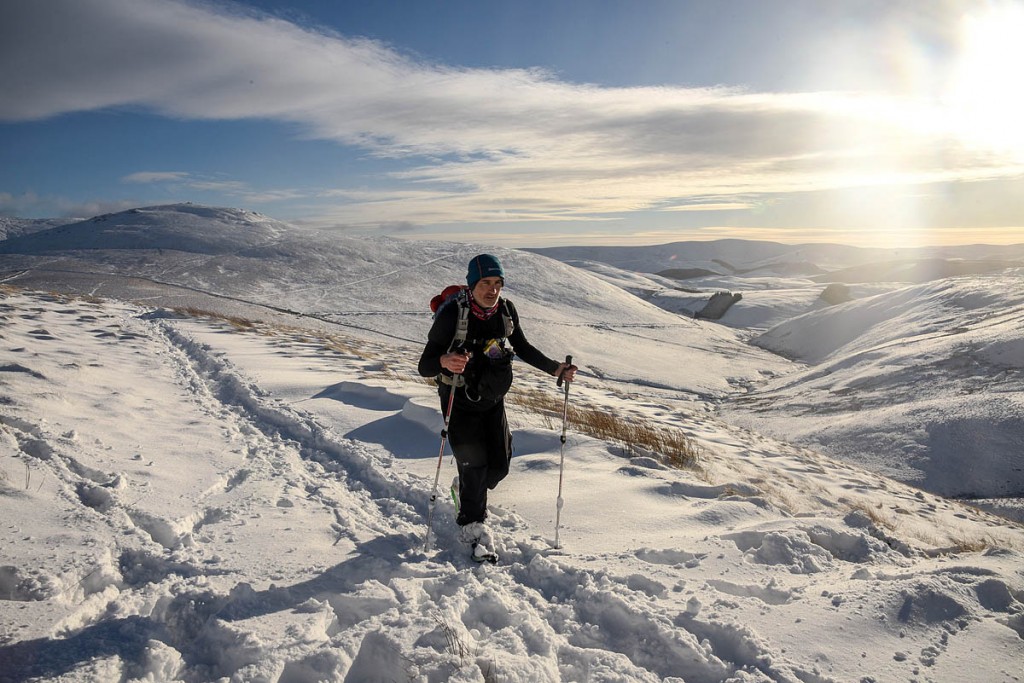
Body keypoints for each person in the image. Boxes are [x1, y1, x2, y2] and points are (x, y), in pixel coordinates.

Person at [418, 254, 576, 559]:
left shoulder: (505, 310)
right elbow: (425, 365)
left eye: (497, 283)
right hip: (458, 399)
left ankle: (465, 487)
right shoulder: (453, 315)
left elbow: (523, 347)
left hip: (492, 399)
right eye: (485, 283)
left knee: (499, 466)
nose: (492, 289)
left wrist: (556, 369)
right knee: (475, 467)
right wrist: (444, 361)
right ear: (472, 284)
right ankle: (473, 532)